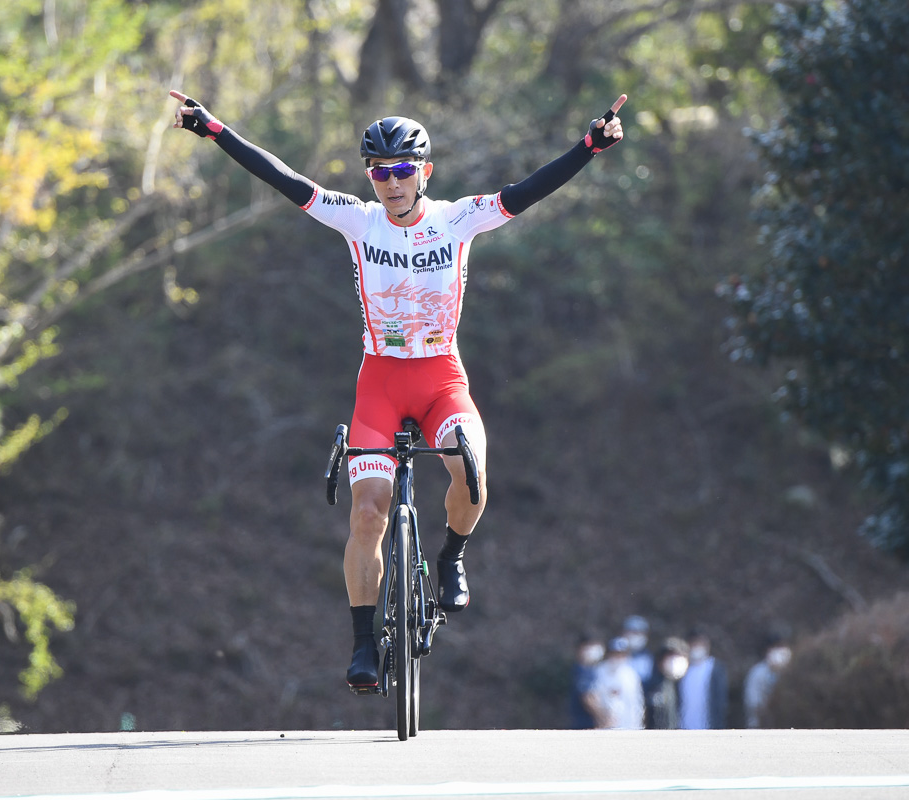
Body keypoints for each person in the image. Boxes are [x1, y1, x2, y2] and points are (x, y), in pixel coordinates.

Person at [169, 88, 626, 690]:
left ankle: (451, 558)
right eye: (380, 171)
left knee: (471, 472)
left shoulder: (457, 219)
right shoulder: (355, 219)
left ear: (424, 173)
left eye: (402, 170)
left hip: (441, 378)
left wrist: (589, 146)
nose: (390, 182)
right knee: (366, 514)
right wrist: (214, 130)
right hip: (380, 383)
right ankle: (363, 645)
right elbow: (282, 178)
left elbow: (528, 190)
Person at [583, 636, 645, 730]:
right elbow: (591, 697)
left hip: (630, 726)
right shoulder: (599, 672)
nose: (618, 658)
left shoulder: (631, 675)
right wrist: (601, 716)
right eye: (615, 654)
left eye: (622, 654)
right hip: (606, 726)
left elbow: (637, 702)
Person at [677, 626, 728, 730]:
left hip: (709, 728)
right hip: (684, 728)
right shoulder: (682, 668)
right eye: (693, 643)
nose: (697, 647)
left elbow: (720, 702)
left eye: (700, 643)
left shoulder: (714, 668)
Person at [744, 630, 792, 728]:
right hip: (760, 728)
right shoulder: (757, 673)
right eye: (777, 647)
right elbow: (753, 703)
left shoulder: (793, 674)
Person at [645, 636, 689, 730]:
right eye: (670, 656)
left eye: (678, 656)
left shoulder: (685, 684)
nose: (674, 661)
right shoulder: (655, 687)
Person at [568, 631, 605, 729]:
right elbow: (587, 698)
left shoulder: (594, 669)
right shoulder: (581, 671)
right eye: (590, 646)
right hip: (584, 723)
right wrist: (603, 717)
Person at [621, 614, 654, 687]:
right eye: (633, 632)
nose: (636, 636)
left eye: (640, 633)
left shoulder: (650, 659)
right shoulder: (615, 656)